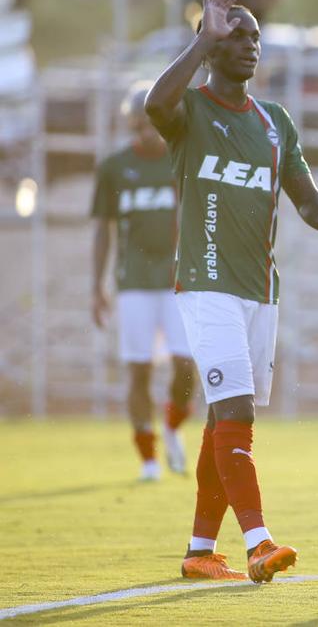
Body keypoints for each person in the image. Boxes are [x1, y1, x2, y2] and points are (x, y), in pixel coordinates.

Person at [145, 0, 318, 583]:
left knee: (223, 421)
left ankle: (198, 551)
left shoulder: (275, 123)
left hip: (259, 292)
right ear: (213, 45)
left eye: (254, 38)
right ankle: (259, 541)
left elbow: (306, 197)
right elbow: (154, 105)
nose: (248, 45)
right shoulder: (191, 110)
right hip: (205, 284)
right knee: (234, 408)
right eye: (235, 35)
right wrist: (199, 39)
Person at [92, 82, 196, 481]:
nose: (144, 134)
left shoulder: (183, 160)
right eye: (137, 127)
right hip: (133, 281)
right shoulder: (115, 167)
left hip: (178, 280)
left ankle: (171, 427)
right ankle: (149, 459)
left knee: (186, 364)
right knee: (138, 370)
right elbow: (103, 228)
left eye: (150, 125)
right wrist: (96, 285)